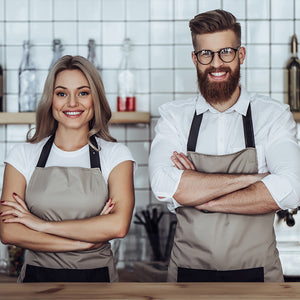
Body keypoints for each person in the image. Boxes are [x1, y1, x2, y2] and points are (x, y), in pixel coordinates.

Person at [149, 9, 300, 282]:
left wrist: (198, 195)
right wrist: (254, 179)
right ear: (195, 59)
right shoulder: (174, 117)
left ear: (241, 55)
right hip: (187, 278)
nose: (216, 63)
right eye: (206, 54)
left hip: (260, 279)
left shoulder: (273, 116)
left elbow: (292, 190)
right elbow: (163, 185)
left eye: (226, 52)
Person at [0, 55, 135, 283]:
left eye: (83, 92)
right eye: (62, 93)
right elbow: (9, 232)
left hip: (98, 282)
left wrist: (40, 224)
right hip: (36, 282)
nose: (72, 103)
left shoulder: (116, 155)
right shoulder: (23, 155)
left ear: (95, 98)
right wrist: (84, 242)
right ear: (50, 100)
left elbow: (118, 226)